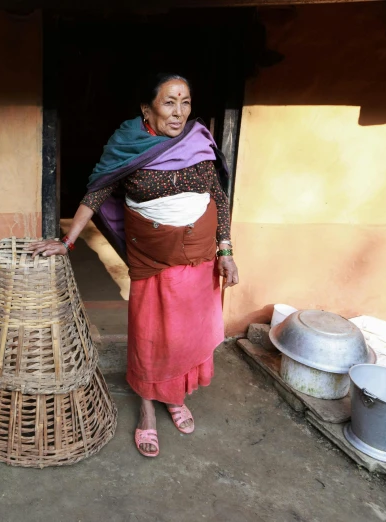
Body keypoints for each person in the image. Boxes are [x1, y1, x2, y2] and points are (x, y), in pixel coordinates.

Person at [28, 73, 239, 457]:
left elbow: (218, 199)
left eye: (186, 102)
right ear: (148, 109)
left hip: (201, 260)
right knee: (151, 334)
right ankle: (146, 409)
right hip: (152, 262)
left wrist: (225, 251)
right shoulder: (128, 145)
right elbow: (98, 191)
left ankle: (175, 397)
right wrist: (67, 240)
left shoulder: (198, 141)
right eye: (169, 103)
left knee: (188, 334)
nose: (179, 113)